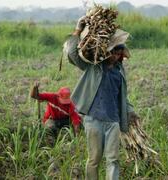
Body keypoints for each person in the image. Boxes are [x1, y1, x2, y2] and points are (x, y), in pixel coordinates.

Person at [64, 16, 139, 180]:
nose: (116, 55)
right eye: (113, 51)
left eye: (119, 52)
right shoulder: (94, 66)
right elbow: (71, 53)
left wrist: (130, 111)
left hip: (113, 121)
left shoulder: (119, 71)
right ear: (106, 51)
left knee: (113, 160)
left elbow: (122, 96)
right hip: (94, 119)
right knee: (94, 160)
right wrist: (77, 29)